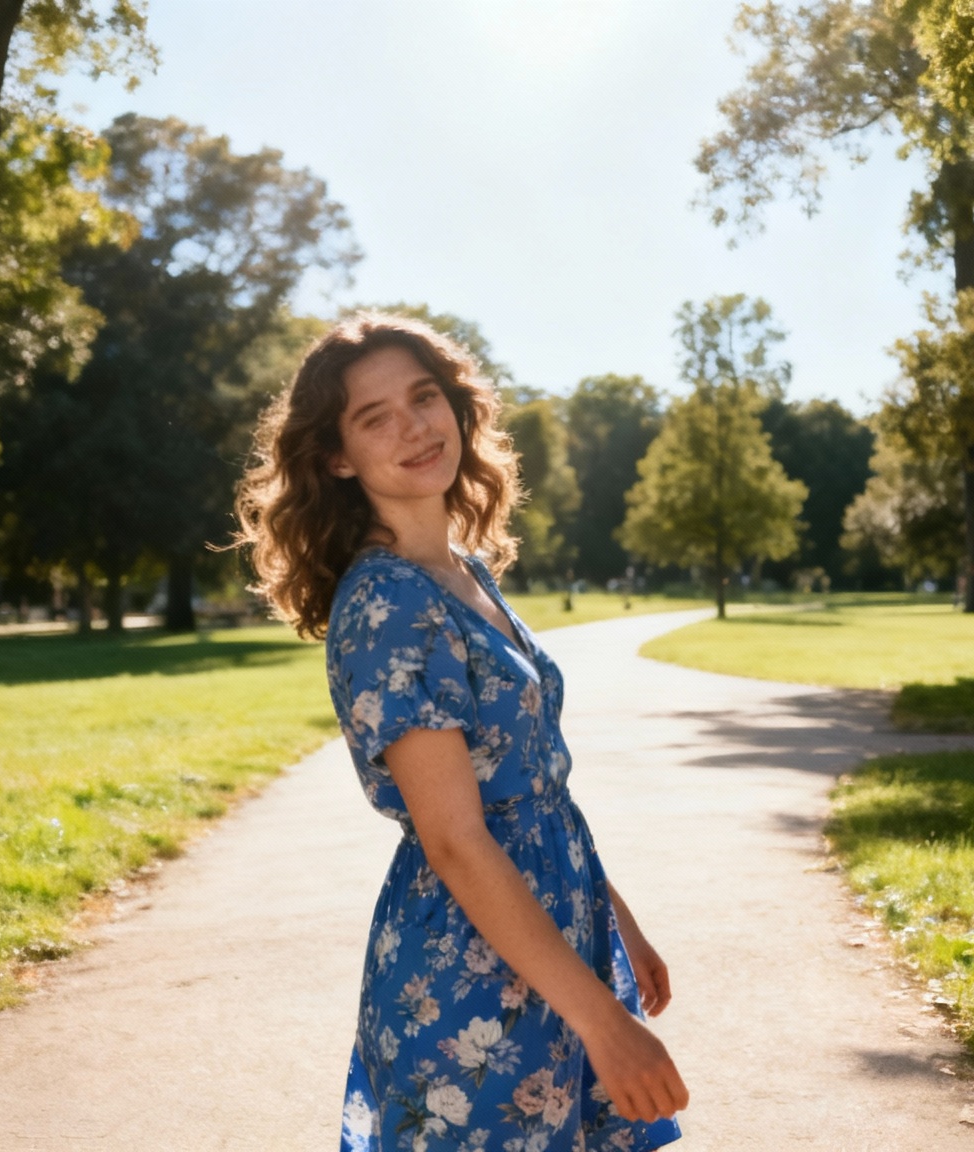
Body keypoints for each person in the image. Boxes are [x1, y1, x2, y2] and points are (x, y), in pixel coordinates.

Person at [235, 313, 687, 1150]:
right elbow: (454, 839)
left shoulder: (461, 572)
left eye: (424, 396)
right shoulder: (387, 604)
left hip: (553, 934)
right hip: (472, 979)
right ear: (338, 457)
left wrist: (614, 915)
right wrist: (604, 1022)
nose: (413, 426)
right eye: (375, 417)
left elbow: (529, 783)